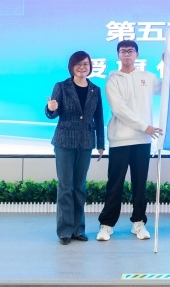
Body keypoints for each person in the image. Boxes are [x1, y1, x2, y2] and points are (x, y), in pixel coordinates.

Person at [96, 40, 162, 241]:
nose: (127, 54)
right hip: (120, 140)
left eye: (130, 51)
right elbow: (119, 109)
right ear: (118, 55)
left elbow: (167, 88)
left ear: (137, 54)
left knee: (140, 184)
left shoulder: (148, 77)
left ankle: (139, 223)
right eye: (123, 51)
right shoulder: (113, 80)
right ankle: (107, 225)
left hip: (143, 140)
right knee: (115, 184)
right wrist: (144, 126)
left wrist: (168, 65)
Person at [45, 51, 104, 245]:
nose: (82, 67)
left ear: (90, 66)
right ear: (71, 67)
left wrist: (101, 144)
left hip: (86, 142)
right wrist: (50, 108)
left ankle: (78, 229)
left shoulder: (95, 89)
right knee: (65, 187)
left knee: (79, 187)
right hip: (64, 142)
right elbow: (52, 113)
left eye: (85, 64)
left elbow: (99, 118)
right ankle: (64, 231)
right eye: (78, 64)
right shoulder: (62, 86)